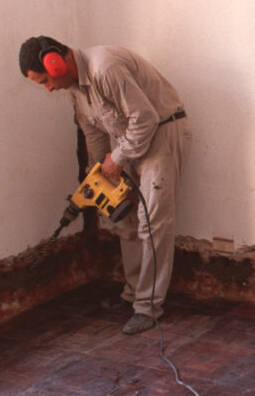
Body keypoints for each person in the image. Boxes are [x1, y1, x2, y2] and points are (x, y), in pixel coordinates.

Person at [19, 36, 192, 335]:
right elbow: (93, 133)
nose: (48, 88)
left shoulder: (104, 69)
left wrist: (119, 158)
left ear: (55, 64)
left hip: (162, 135)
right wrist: (97, 175)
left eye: (45, 80)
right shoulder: (76, 90)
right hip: (132, 143)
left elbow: (146, 118)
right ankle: (133, 292)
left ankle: (147, 307)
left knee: (152, 222)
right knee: (124, 218)